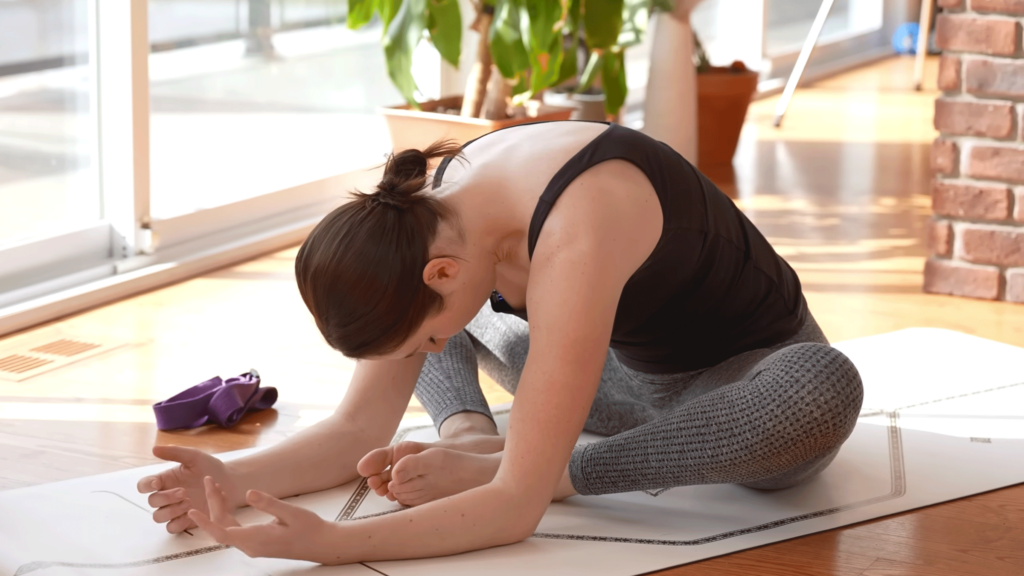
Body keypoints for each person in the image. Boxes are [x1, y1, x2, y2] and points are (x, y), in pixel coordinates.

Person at [136, 120, 863, 565]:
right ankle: (470, 435)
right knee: (442, 323)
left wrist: (330, 545)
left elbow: (515, 512)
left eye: (423, 336)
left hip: (734, 400)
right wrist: (232, 480)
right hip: (607, 378)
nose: (425, 350)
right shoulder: (422, 222)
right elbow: (356, 429)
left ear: (442, 270)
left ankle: (549, 464)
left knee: (822, 386)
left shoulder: (584, 216)